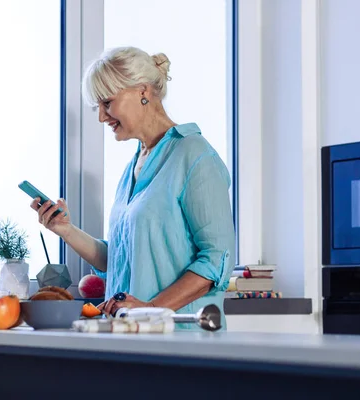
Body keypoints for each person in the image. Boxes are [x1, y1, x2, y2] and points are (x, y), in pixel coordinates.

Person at [30, 46, 236, 331]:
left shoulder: (194, 155)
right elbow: (118, 258)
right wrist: (65, 230)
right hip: (131, 338)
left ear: (143, 91)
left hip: (183, 341)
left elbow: (217, 260)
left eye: (107, 103)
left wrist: (151, 309)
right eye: (97, 107)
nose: (102, 117)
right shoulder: (134, 166)